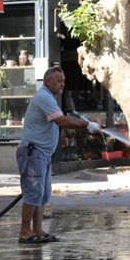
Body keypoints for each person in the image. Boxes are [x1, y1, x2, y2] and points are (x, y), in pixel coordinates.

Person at [16, 66, 101, 244]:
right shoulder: (44, 97)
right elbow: (62, 120)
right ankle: (25, 231)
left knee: (43, 194)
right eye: (59, 81)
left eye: (63, 80)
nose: (63, 84)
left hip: (43, 154)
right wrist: (87, 125)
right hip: (33, 152)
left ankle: (37, 229)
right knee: (33, 192)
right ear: (48, 82)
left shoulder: (49, 98)